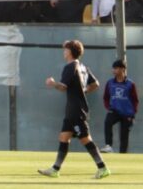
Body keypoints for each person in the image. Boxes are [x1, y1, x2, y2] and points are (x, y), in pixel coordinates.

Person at [38, 40, 110, 179]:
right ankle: (55, 169)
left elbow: (63, 87)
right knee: (64, 137)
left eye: (66, 49)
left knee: (85, 139)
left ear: (71, 51)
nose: (64, 52)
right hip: (73, 109)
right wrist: (83, 91)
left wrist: (52, 83)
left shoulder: (70, 67)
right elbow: (95, 84)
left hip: (76, 110)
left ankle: (103, 168)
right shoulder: (83, 67)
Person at [101, 59, 139, 154]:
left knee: (124, 136)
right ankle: (108, 146)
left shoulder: (130, 84)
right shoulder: (110, 83)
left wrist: (132, 113)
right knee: (107, 122)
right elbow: (106, 97)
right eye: (113, 68)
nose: (113, 70)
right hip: (114, 110)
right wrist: (108, 107)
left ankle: (122, 155)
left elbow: (135, 100)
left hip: (127, 113)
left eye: (116, 68)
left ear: (123, 69)